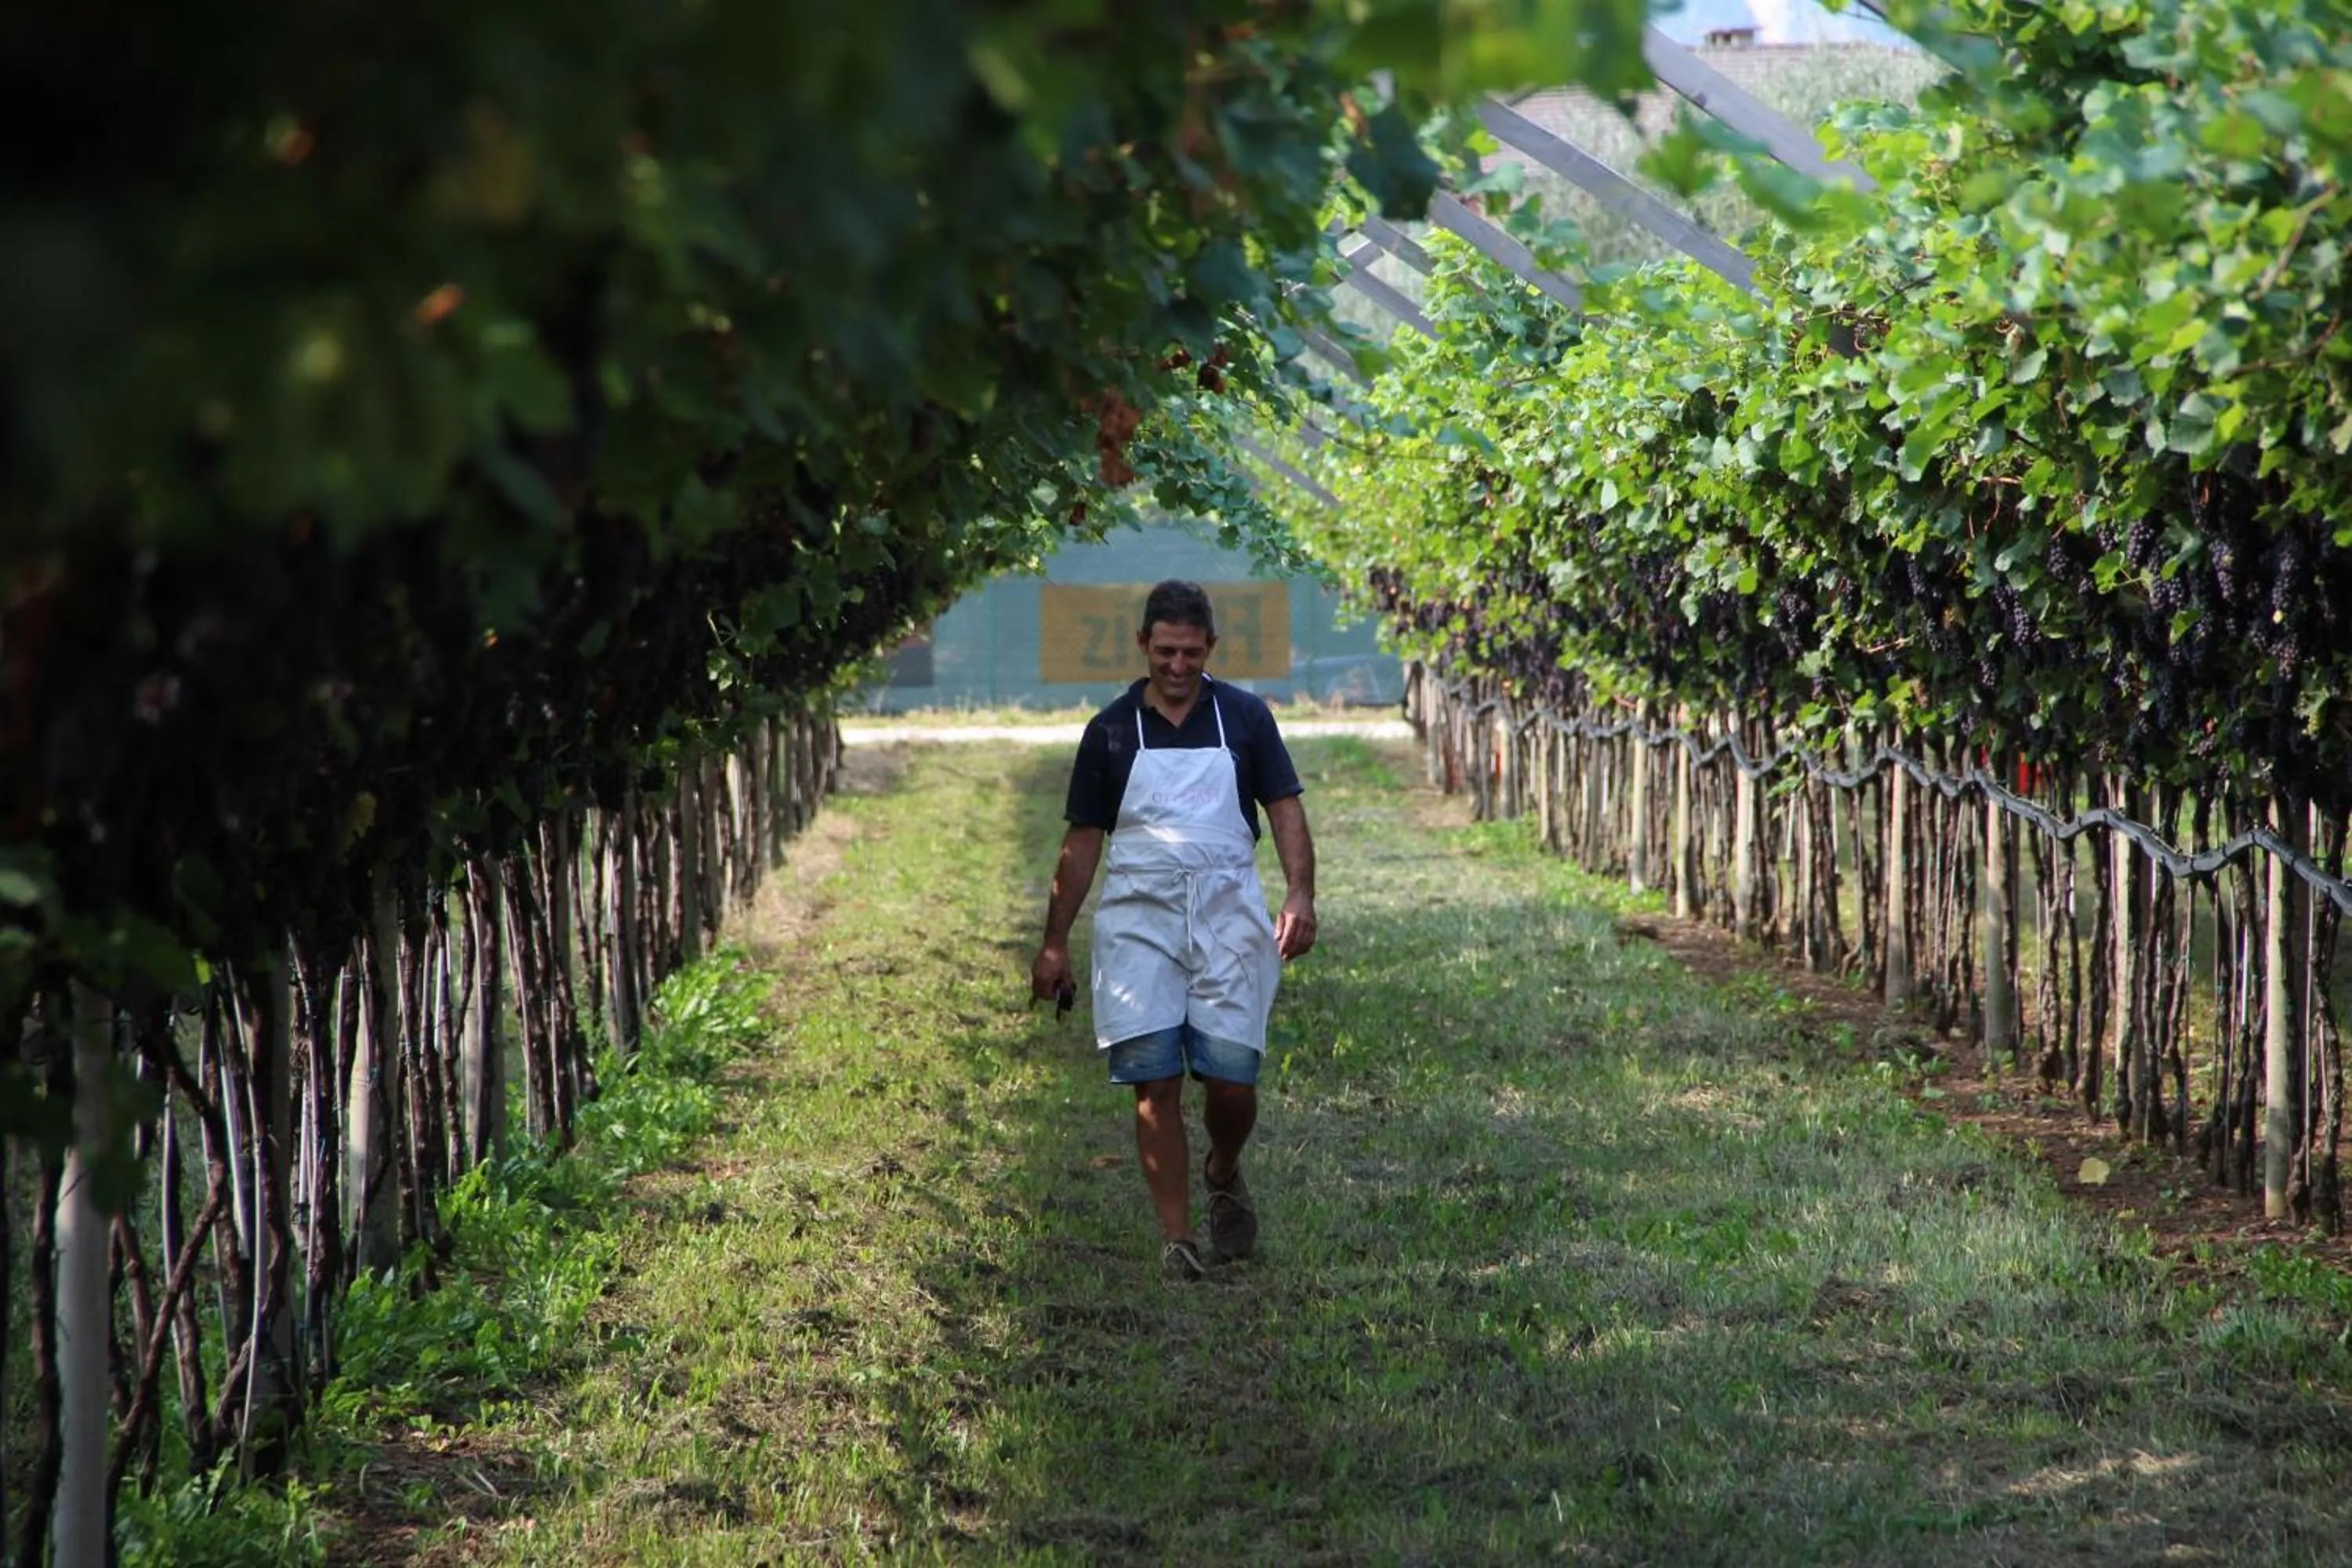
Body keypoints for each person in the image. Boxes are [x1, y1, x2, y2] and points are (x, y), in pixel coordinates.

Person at [1030, 579, 1317, 1281]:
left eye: (1191, 653)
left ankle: (1222, 1167)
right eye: (1166, 652)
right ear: (1143, 647)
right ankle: (1179, 1237)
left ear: (1210, 648)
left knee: (1231, 1078)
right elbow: (1083, 839)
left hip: (1227, 918)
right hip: (1138, 924)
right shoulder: (1110, 731)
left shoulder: (1246, 718)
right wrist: (1056, 939)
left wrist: (1300, 892)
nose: (1178, 666)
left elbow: (1282, 808)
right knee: (1153, 1081)